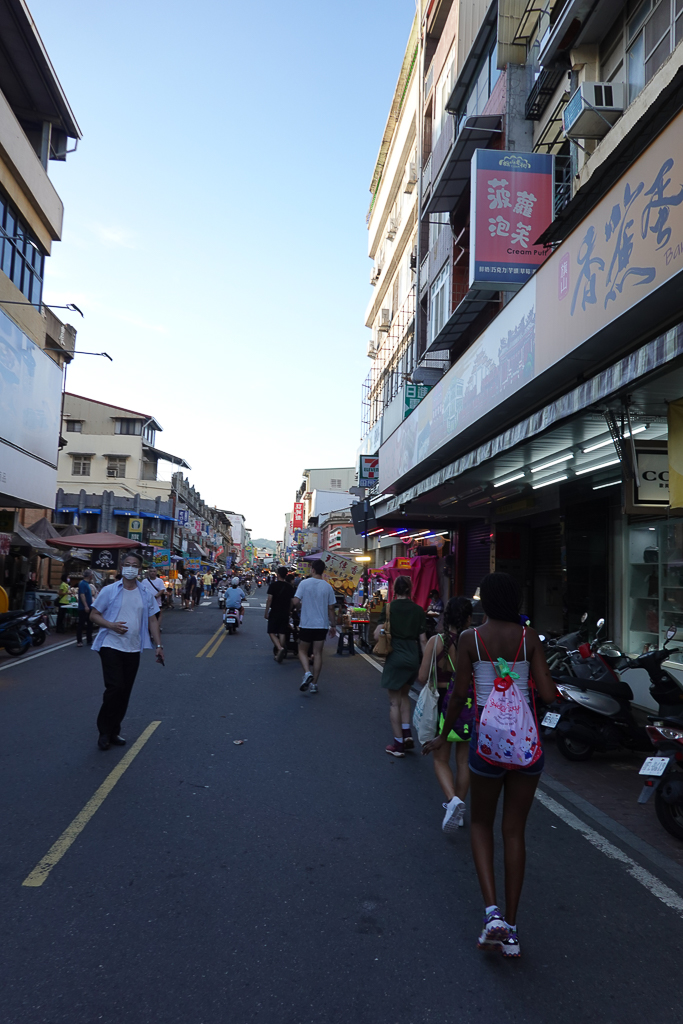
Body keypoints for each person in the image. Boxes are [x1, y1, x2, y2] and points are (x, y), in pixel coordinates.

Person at [423, 572, 556, 958]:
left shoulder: (471, 638)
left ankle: (492, 913)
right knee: (514, 832)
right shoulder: (529, 638)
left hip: (487, 744)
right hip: (526, 746)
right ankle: (511, 929)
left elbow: (458, 694)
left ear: (486, 602)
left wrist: (442, 734)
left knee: (481, 823)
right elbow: (548, 694)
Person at [89, 551, 164, 751]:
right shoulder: (110, 590)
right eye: (127, 564)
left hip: (133, 647)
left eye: (135, 565)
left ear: (139, 569)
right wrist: (111, 625)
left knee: (124, 691)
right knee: (115, 687)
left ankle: (114, 731)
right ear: (122, 567)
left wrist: (158, 646)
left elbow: (153, 620)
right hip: (110, 644)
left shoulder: (145, 594)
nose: (131, 568)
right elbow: (94, 614)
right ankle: (104, 732)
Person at [417, 597, 473, 832]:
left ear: (446, 616)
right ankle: (458, 810)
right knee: (463, 761)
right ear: (468, 618)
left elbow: (422, 677)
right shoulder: (473, 642)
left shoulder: (436, 641)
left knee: (440, 759)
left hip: (441, 702)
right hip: (466, 703)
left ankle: (453, 801)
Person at [376, 575, 427, 757]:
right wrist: (426, 664)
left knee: (394, 702)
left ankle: (398, 745)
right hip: (412, 658)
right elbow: (423, 640)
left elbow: (377, 634)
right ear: (410, 589)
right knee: (405, 695)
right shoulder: (418, 610)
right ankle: (407, 734)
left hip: (395, 657)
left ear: (394, 589)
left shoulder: (389, 608)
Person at [291, 559, 336, 694]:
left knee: (302, 650)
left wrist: (298, 605)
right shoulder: (327, 587)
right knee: (317, 653)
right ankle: (314, 684)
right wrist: (333, 625)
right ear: (323, 571)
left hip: (307, 623)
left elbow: (296, 601)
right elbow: (331, 608)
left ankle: (307, 673)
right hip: (321, 625)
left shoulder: (304, 583)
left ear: (313, 569)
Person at [265, 566, 294, 662]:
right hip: (285, 612)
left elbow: (269, 599)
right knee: (282, 632)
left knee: (271, 631)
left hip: (275, 611)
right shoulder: (289, 587)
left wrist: (266, 612)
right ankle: (279, 653)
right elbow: (292, 601)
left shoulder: (273, 585)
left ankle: (279, 648)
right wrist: (289, 611)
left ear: (278, 574)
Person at [76, 570, 95, 647]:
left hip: (89, 606)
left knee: (90, 624)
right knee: (81, 624)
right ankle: (79, 641)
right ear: (90, 576)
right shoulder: (82, 584)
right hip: (84, 607)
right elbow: (82, 595)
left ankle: (89, 640)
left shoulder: (87, 584)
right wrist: (86, 606)